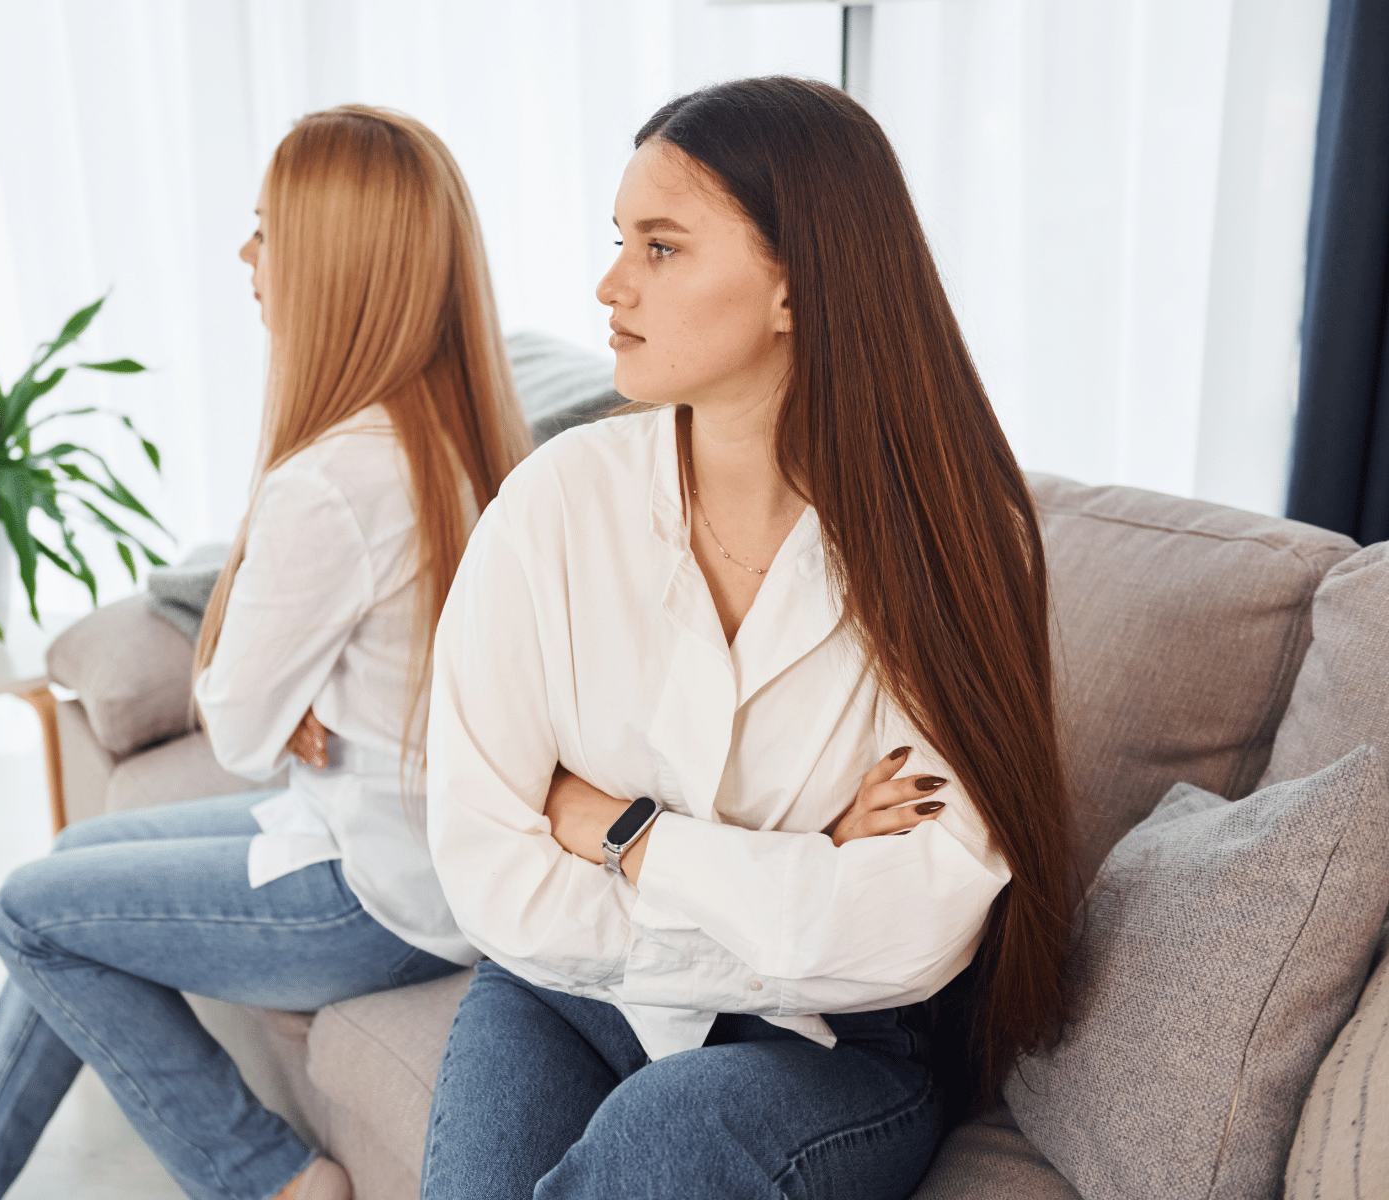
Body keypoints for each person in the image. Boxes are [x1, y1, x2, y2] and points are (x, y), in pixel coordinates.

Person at [420, 76, 1076, 1200]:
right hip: (561, 990)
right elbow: (488, 862)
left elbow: (913, 930)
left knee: (668, 1138)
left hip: (834, 1046)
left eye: (662, 248)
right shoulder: (554, 505)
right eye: (618, 241)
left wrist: (628, 831)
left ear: (794, 284)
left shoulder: (963, 545)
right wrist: (801, 861)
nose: (610, 285)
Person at [0, 105, 530, 1200]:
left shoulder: (331, 480)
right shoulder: (459, 441)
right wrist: (286, 695)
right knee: (67, 864)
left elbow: (237, 730)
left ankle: (270, 1178)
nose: (247, 257)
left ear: (333, 265)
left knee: (27, 915)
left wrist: (275, 694)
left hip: (371, 891)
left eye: (265, 232)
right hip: (413, 853)